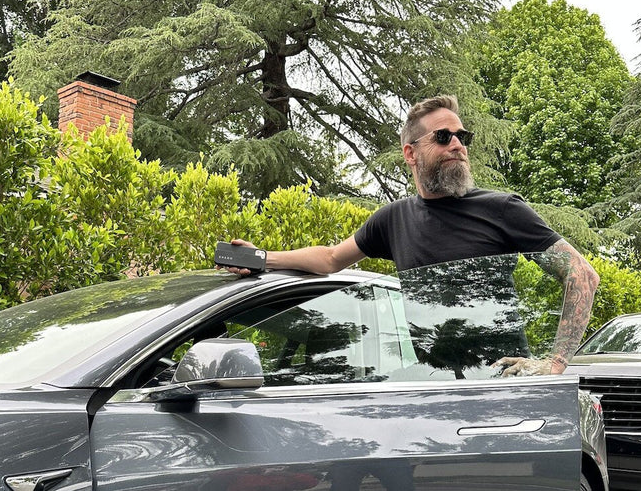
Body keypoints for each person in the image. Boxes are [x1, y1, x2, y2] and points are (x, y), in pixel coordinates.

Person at [223, 95, 599, 375]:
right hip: (430, 386)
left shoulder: (500, 208)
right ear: (410, 153)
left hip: (498, 384)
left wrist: (555, 361)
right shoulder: (393, 219)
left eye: (461, 136)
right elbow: (330, 259)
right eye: (443, 136)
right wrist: (260, 258)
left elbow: (582, 274)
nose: (457, 144)